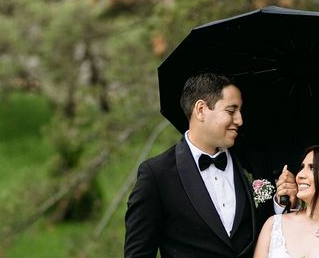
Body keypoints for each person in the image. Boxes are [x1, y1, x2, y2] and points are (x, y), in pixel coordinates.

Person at [124, 72, 297, 258]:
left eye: (240, 111)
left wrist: (280, 204)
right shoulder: (156, 175)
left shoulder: (255, 162)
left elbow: (267, 233)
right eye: (231, 111)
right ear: (201, 110)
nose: (240, 120)